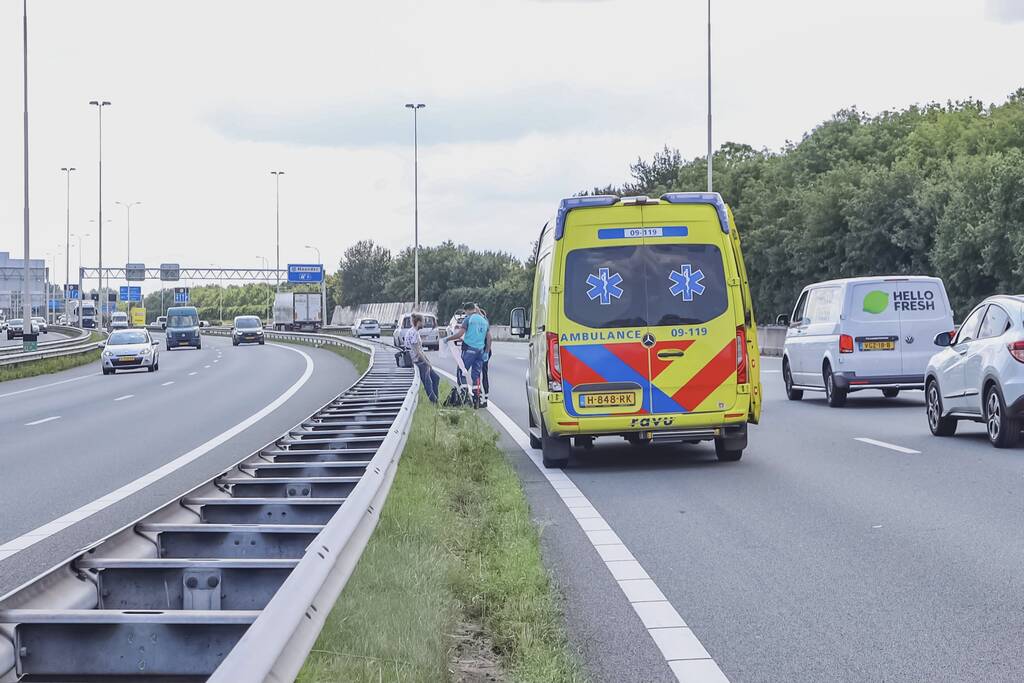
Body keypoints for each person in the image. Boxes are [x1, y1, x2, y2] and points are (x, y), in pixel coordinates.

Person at [444, 302, 491, 406]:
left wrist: (448, 338)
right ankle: (477, 397)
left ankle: (464, 394)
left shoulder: (468, 319)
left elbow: (460, 334)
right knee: (476, 375)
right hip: (480, 351)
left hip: (469, 349)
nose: (465, 314)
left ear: (468, 310)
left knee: (461, 371)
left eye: (465, 312)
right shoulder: (484, 321)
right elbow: (489, 338)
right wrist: (486, 352)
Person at [403, 313, 440, 403]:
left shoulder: (414, 332)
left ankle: (435, 400)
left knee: (436, 378)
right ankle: (434, 401)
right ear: (418, 322)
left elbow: (420, 350)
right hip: (417, 361)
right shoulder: (413, 333)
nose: (424, 324)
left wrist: (427, 360)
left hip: (420, 360)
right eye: (423, 322)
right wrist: (426, 362)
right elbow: (417, 351)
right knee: (428, 382)